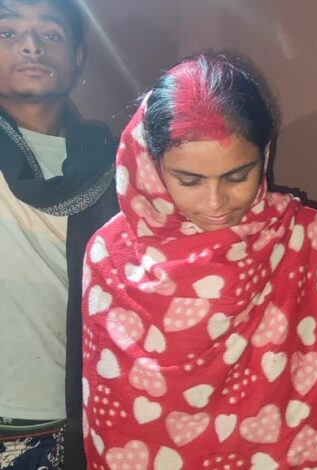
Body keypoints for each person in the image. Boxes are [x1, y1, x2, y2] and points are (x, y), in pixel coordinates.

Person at [81, 54, 317, 469]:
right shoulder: (110, 254)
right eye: (189, 180)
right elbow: (112, 414)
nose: (216, 202)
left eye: (237, 176)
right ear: (152, 164)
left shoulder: (306, 236)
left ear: (265, 155)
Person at [0, 0, 117, 467]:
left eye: (50, 34)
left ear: (78, 55)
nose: (31, 46)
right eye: (8, 33)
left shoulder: (115, 166)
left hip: (78, 414)